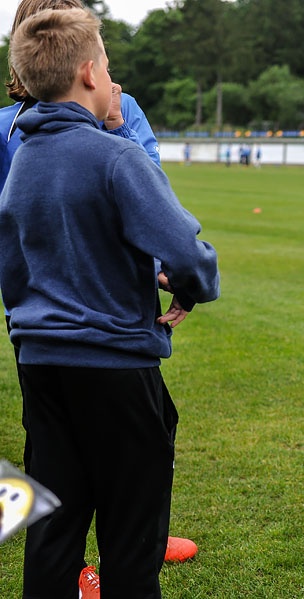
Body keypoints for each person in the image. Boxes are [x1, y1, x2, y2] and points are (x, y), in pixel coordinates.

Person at [1, 7, 219, 598]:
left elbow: (13, 265)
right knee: (131, 534)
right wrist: (194, 290)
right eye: (107, 61)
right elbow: (186, 252)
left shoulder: (21, 161)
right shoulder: (116, 155)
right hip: (116, 368)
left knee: (53, 526)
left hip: (40, 366)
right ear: (91, 74)